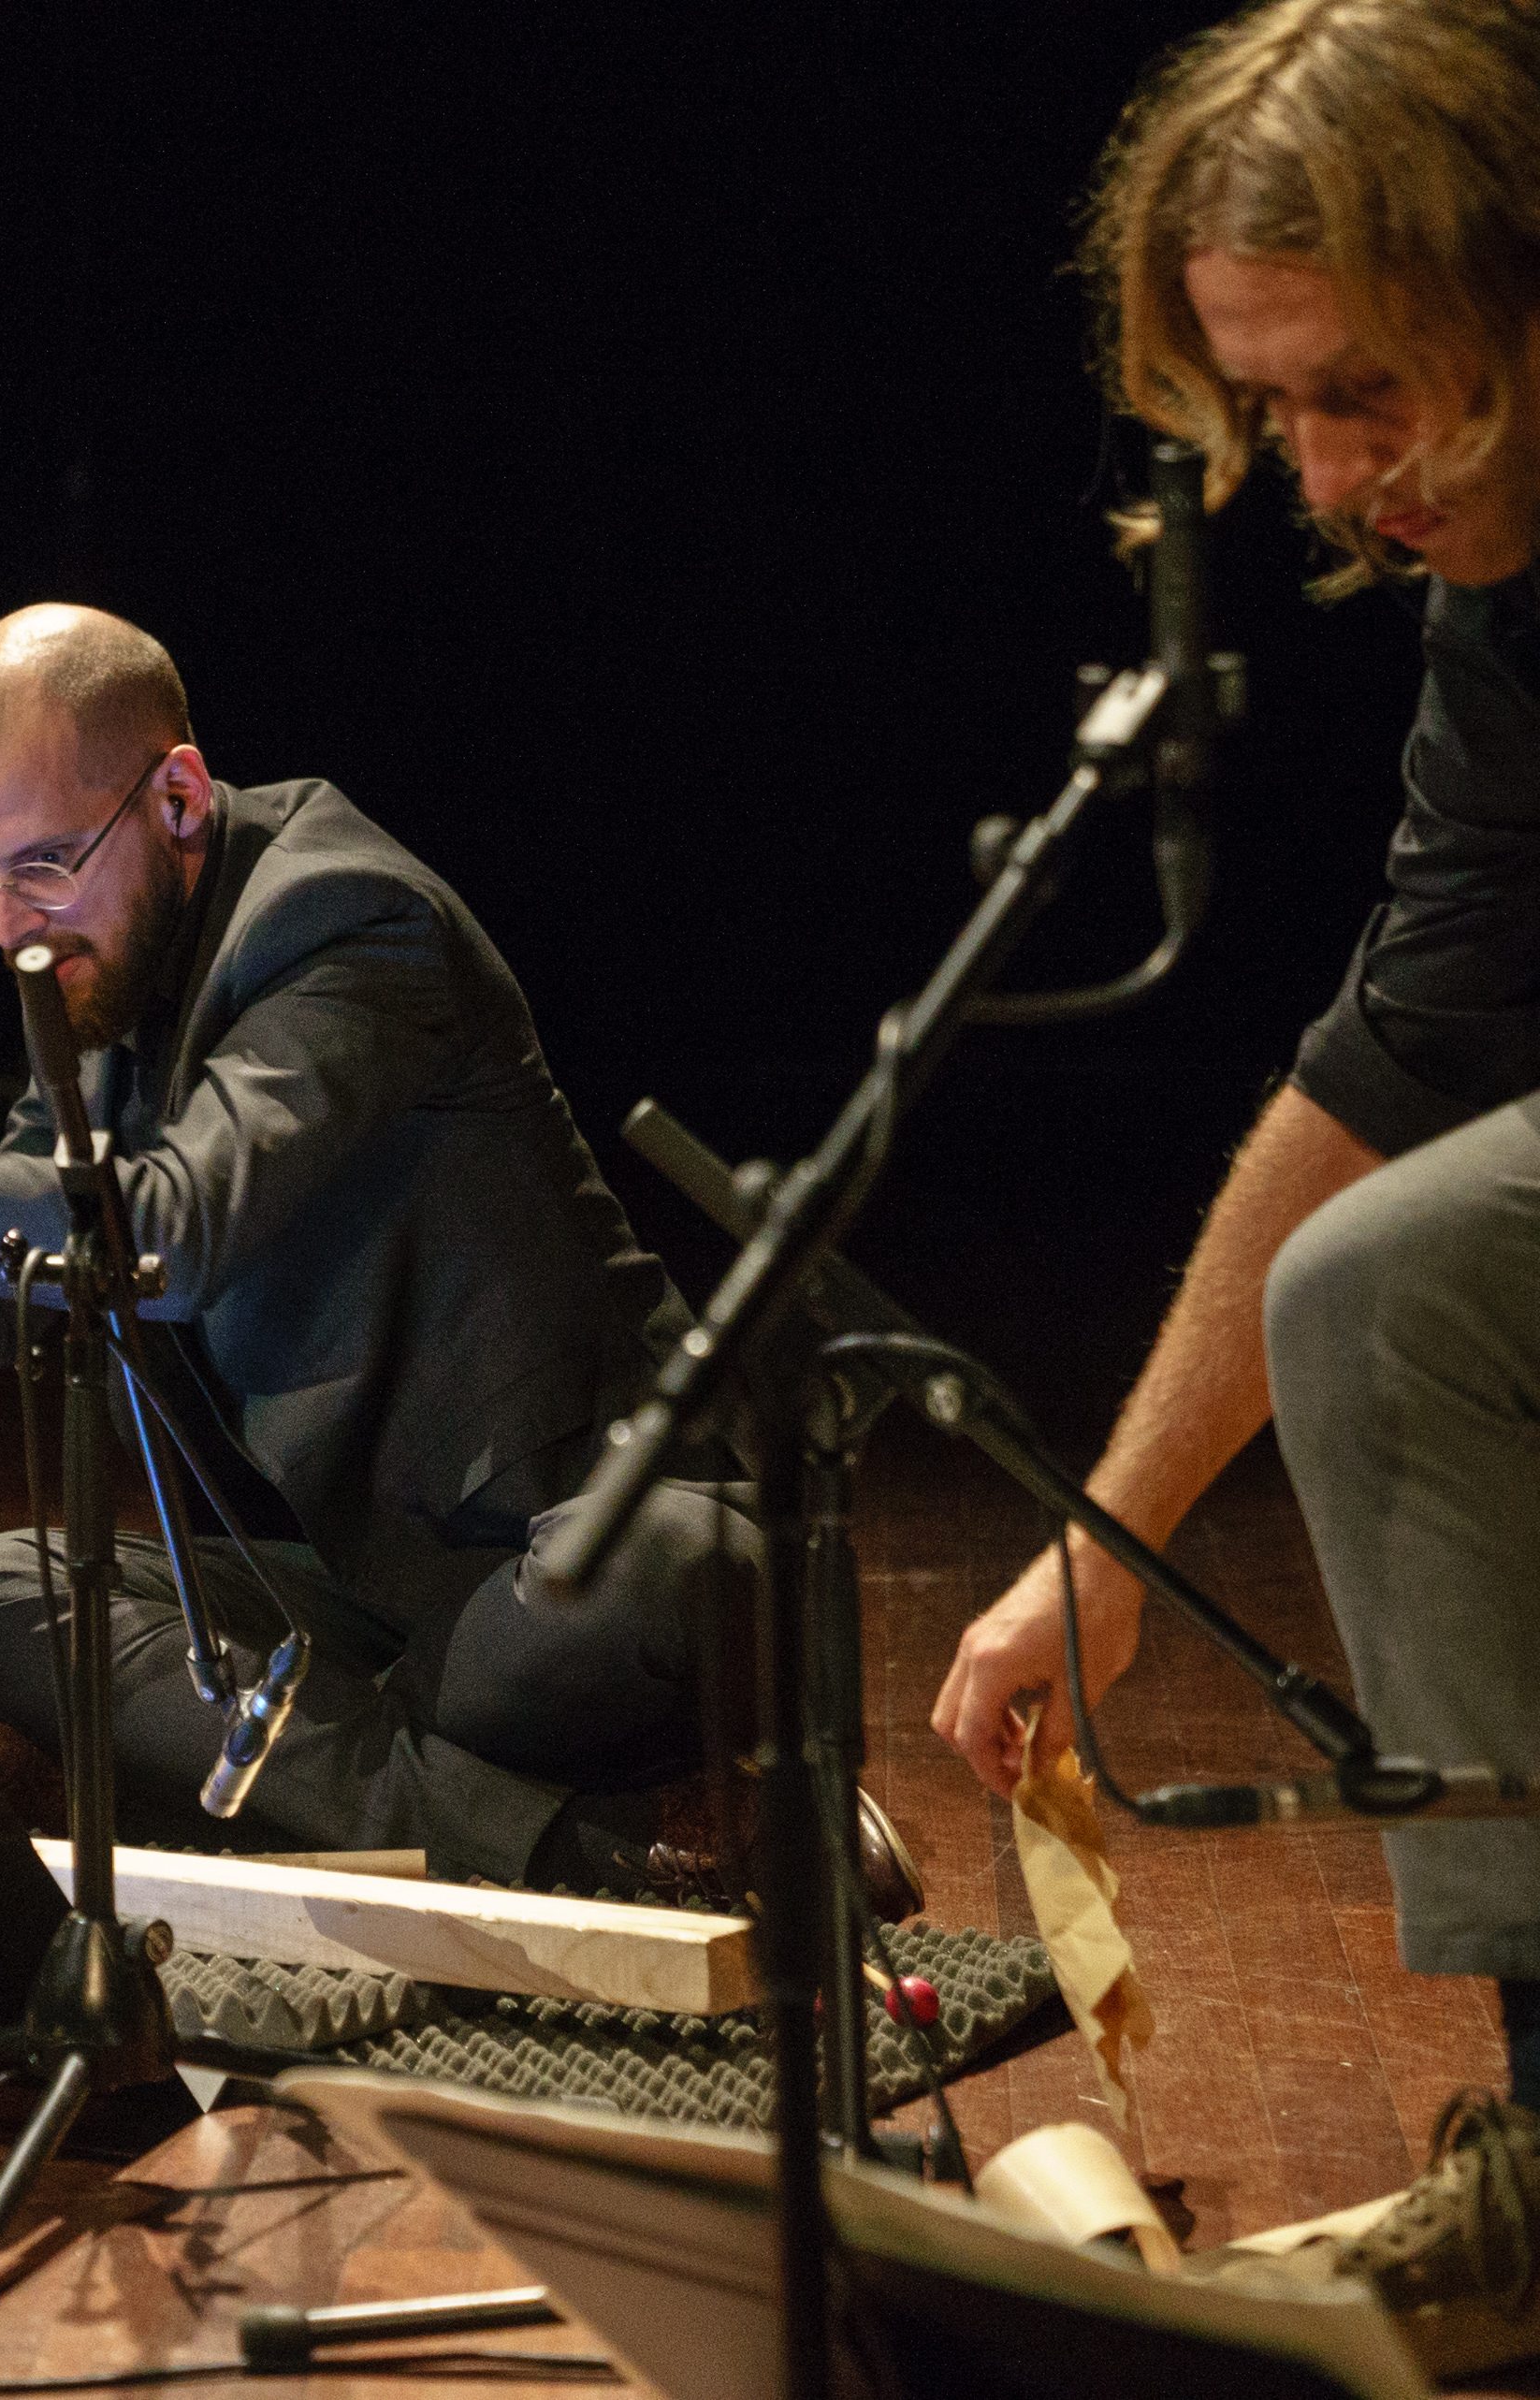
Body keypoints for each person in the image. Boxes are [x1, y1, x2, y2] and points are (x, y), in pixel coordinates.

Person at [0, 602, 915, 1905]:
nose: (9, 929)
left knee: (683, 1564)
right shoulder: (94, 971)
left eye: (42, 869)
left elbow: (167, 1235)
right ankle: (590, 1853)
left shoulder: (346, 922)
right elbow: (25, 1247)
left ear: (181, 797)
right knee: (1, 1595)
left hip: (573, 1568)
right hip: (398, 1604)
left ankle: (298, 1775)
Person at [923, 0, 1540, 2364]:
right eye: (1272, 409)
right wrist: (1109, 1546)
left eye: (1363, 390)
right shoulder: (1499, 593)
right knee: (1389, 1279)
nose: (1322, 474)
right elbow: (1403, 1045)